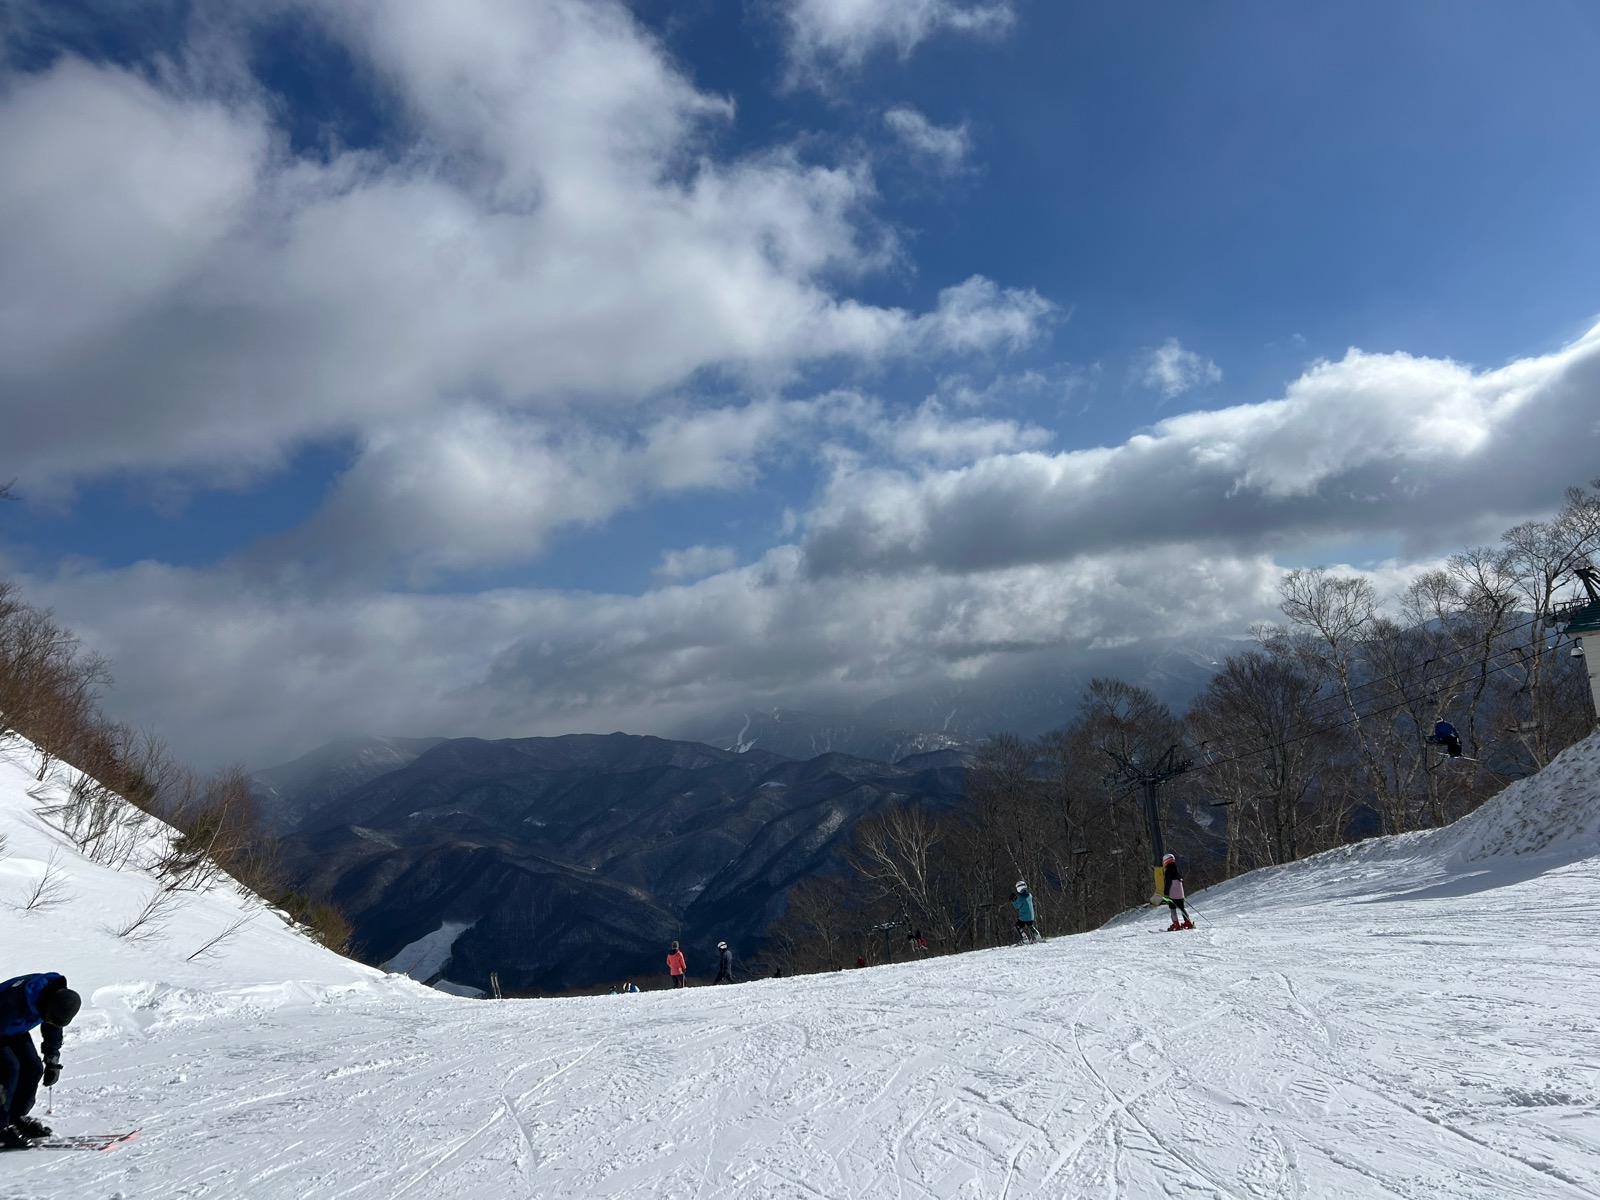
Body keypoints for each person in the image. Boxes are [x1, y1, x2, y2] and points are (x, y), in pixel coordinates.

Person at [1, 972, 82, 1149]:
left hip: (13, 1029)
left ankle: (16, 1118)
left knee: (33, 1067)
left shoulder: (54, 998)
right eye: (50, 1018)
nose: (51, 1021)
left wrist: (52, 1060)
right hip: (2, 1024)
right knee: (9, 1069)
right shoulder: (12, 1001)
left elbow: (53, 1027)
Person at [1162, 853, 1193, 931]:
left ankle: (1176, 924)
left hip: (1172, 893)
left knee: (1173, 908)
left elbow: (1168, 883)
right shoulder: (1178, 869)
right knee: (1182, 908)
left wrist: (1165, 893)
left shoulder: (1168, 871)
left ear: (1165, 861)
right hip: (1180, 892)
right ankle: (1188, 922)